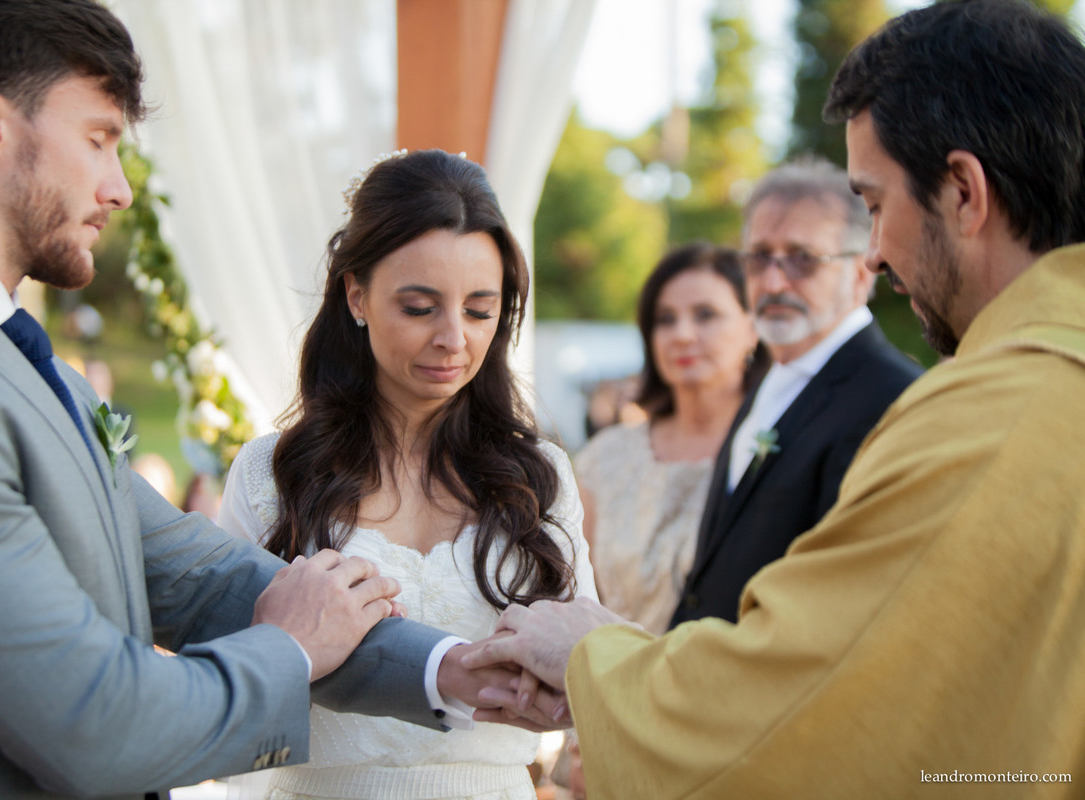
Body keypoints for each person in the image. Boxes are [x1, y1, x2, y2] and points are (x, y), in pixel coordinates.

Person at [0, 3, 533, 798]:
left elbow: (195, 577)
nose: (118, 189)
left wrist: (452, 671)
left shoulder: (14, 358)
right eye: (98, 138)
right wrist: (288, 649)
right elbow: (95, 724)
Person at [461, 0, 1085, 795]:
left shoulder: (990, 419)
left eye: (876, 206)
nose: (880, 252)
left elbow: (807, 710)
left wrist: (593, 659)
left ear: (963, 191)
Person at [219, 148, 596, 800]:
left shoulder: (542, 478)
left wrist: (562, 693)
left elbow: (584, 664)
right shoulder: (272, 474)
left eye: (480, 310)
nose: (454, 338)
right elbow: (232, 686)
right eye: (421, 307)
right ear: (357, 295)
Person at [667, 157, 922, 626]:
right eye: (759, 256)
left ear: (861, 275)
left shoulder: (892, 398)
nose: (773, 281)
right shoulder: (772, 377)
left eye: (803, 259)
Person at [574, 243, 763, 634]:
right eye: (665, 319)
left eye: (705, 314)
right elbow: (572, 594)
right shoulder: (606, 458)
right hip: (612, 679)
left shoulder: (777, 448)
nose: (681, 334)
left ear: (753, 327)